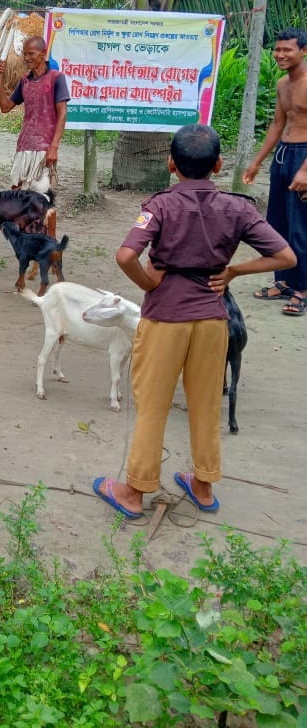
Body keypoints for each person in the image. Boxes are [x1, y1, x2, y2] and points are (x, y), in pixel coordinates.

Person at [93, 124, 295, 519]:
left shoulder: (159, 206)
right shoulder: (238, 208)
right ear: (218, 165)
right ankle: (203, 484)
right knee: (205, 404)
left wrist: (149, 282)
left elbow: (125, 256)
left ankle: (134, 491)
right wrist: (233, 271)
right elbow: (286, 257)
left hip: (165, 319)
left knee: (153, 405)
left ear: (171, 164)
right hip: (212, 320)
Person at [242, 27, 307, 317]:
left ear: (303, 51)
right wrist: (257, 162)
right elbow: (277, 124)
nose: (280, 54)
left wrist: (305, 170)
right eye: (277, 49)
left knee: (301, 226)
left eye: (287, 50)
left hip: (304, 157)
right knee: (278, 222)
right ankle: (283, 281)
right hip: (283, 155)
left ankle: (302, 289)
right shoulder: (282, 84)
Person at [0, 36, 69, 192]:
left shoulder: (56, 78)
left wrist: (54, 147)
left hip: (45, 147)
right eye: (25, 54)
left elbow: (62, 113)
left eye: (31, 53)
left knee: (41, 195)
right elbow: (5, 107)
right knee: (18, 192)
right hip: (24, 145)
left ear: (42, 54)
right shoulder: (25, 81)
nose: (26, 58)